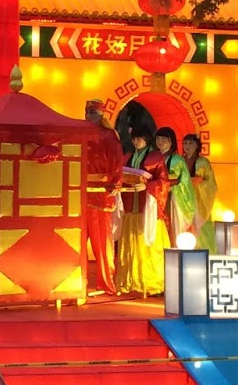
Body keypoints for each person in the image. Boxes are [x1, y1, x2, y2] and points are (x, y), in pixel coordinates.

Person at [115, 127, 169, 297]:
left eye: (139, 138)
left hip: (148, 208)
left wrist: (148, 186)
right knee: (130, 245)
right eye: (134, 139)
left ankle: (152, 282)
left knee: (148, 244)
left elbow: (164, 182)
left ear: (147, 139)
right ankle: (130, 281)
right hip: (131, 206)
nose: (136, 142)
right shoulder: (127, 157)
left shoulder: (156, 157)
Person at [84, 99, 125, 296]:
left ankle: (106, 282)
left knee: (102, 242)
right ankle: (76, 282)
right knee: (75, 240)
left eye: (92, 112)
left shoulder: (109, 136)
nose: (89, 115)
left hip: (100, 193)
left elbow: (116, 161)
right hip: (79, 192)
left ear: (101, 115)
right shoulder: (80, 134)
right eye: (87, 112)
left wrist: (115, 184)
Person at [155, 127, 197, 243]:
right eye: (158, 139)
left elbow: (177, 179)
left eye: (164, 139)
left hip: (172, 198)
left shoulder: (177, 160)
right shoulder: (153, 157)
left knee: (172, 228)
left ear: (171, 141)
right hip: (157, 197)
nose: (160, 142)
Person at [183, 133, 220, 251]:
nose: (187, 146)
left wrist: (198, 183)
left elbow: (211, 184)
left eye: (190, 143)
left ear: (197, 146)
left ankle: (207, 253)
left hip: (199, 200)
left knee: (202, 228)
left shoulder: (203, 162)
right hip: (184, 198)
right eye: (185, 143)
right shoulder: (180, 160)